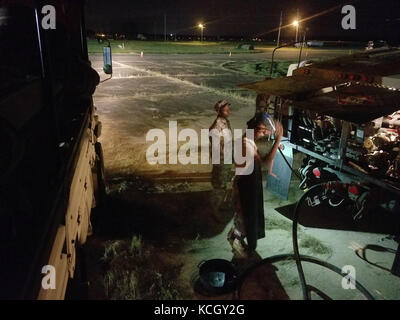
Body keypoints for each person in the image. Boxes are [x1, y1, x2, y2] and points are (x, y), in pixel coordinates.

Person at [228, 112, 283, 258]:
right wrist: (277, 141)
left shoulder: (249, 142)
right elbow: (261, 165)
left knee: (246, 219)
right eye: (261, 130)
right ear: (253, 129)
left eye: (264, 130)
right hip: (244, 189)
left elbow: (262, 162)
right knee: (245, 220)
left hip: (249, 187)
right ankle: (238, 244)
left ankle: (236, 237)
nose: (263, 133)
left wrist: (277, 143)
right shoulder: (245, 145)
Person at [209, 100, 233, 191]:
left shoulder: (224, 121)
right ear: (219, 112)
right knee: (220, 182)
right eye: (225, 110)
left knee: (221, 179)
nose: (228, 112)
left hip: (223, 157)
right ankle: (219, 198)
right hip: (221, 158)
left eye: (228, 110)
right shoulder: (219, 123)